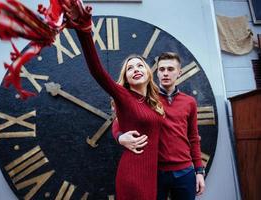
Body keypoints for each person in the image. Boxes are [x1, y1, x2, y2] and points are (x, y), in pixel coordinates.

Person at [60, 1, 166, 199]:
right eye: (130, 68)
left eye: (140, 66)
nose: (135, 70)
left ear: (149, 73)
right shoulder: (124, 96)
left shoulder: (154, 102)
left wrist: (118, 135)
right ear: (125, 78)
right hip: (133, 174)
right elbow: (97, 71)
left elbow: (118, 123)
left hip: (151, 175)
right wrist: (84, 31)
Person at [112, 52, 205, 200]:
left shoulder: (189, 102)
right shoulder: (147, 99)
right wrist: (120, 137)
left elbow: (193, 137)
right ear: (156, 72)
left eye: (170, 69)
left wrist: (199, 171)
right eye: (161, 69)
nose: (165, 73)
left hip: (185, 171)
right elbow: (118, 122)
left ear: (179, 72)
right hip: (156, 172)